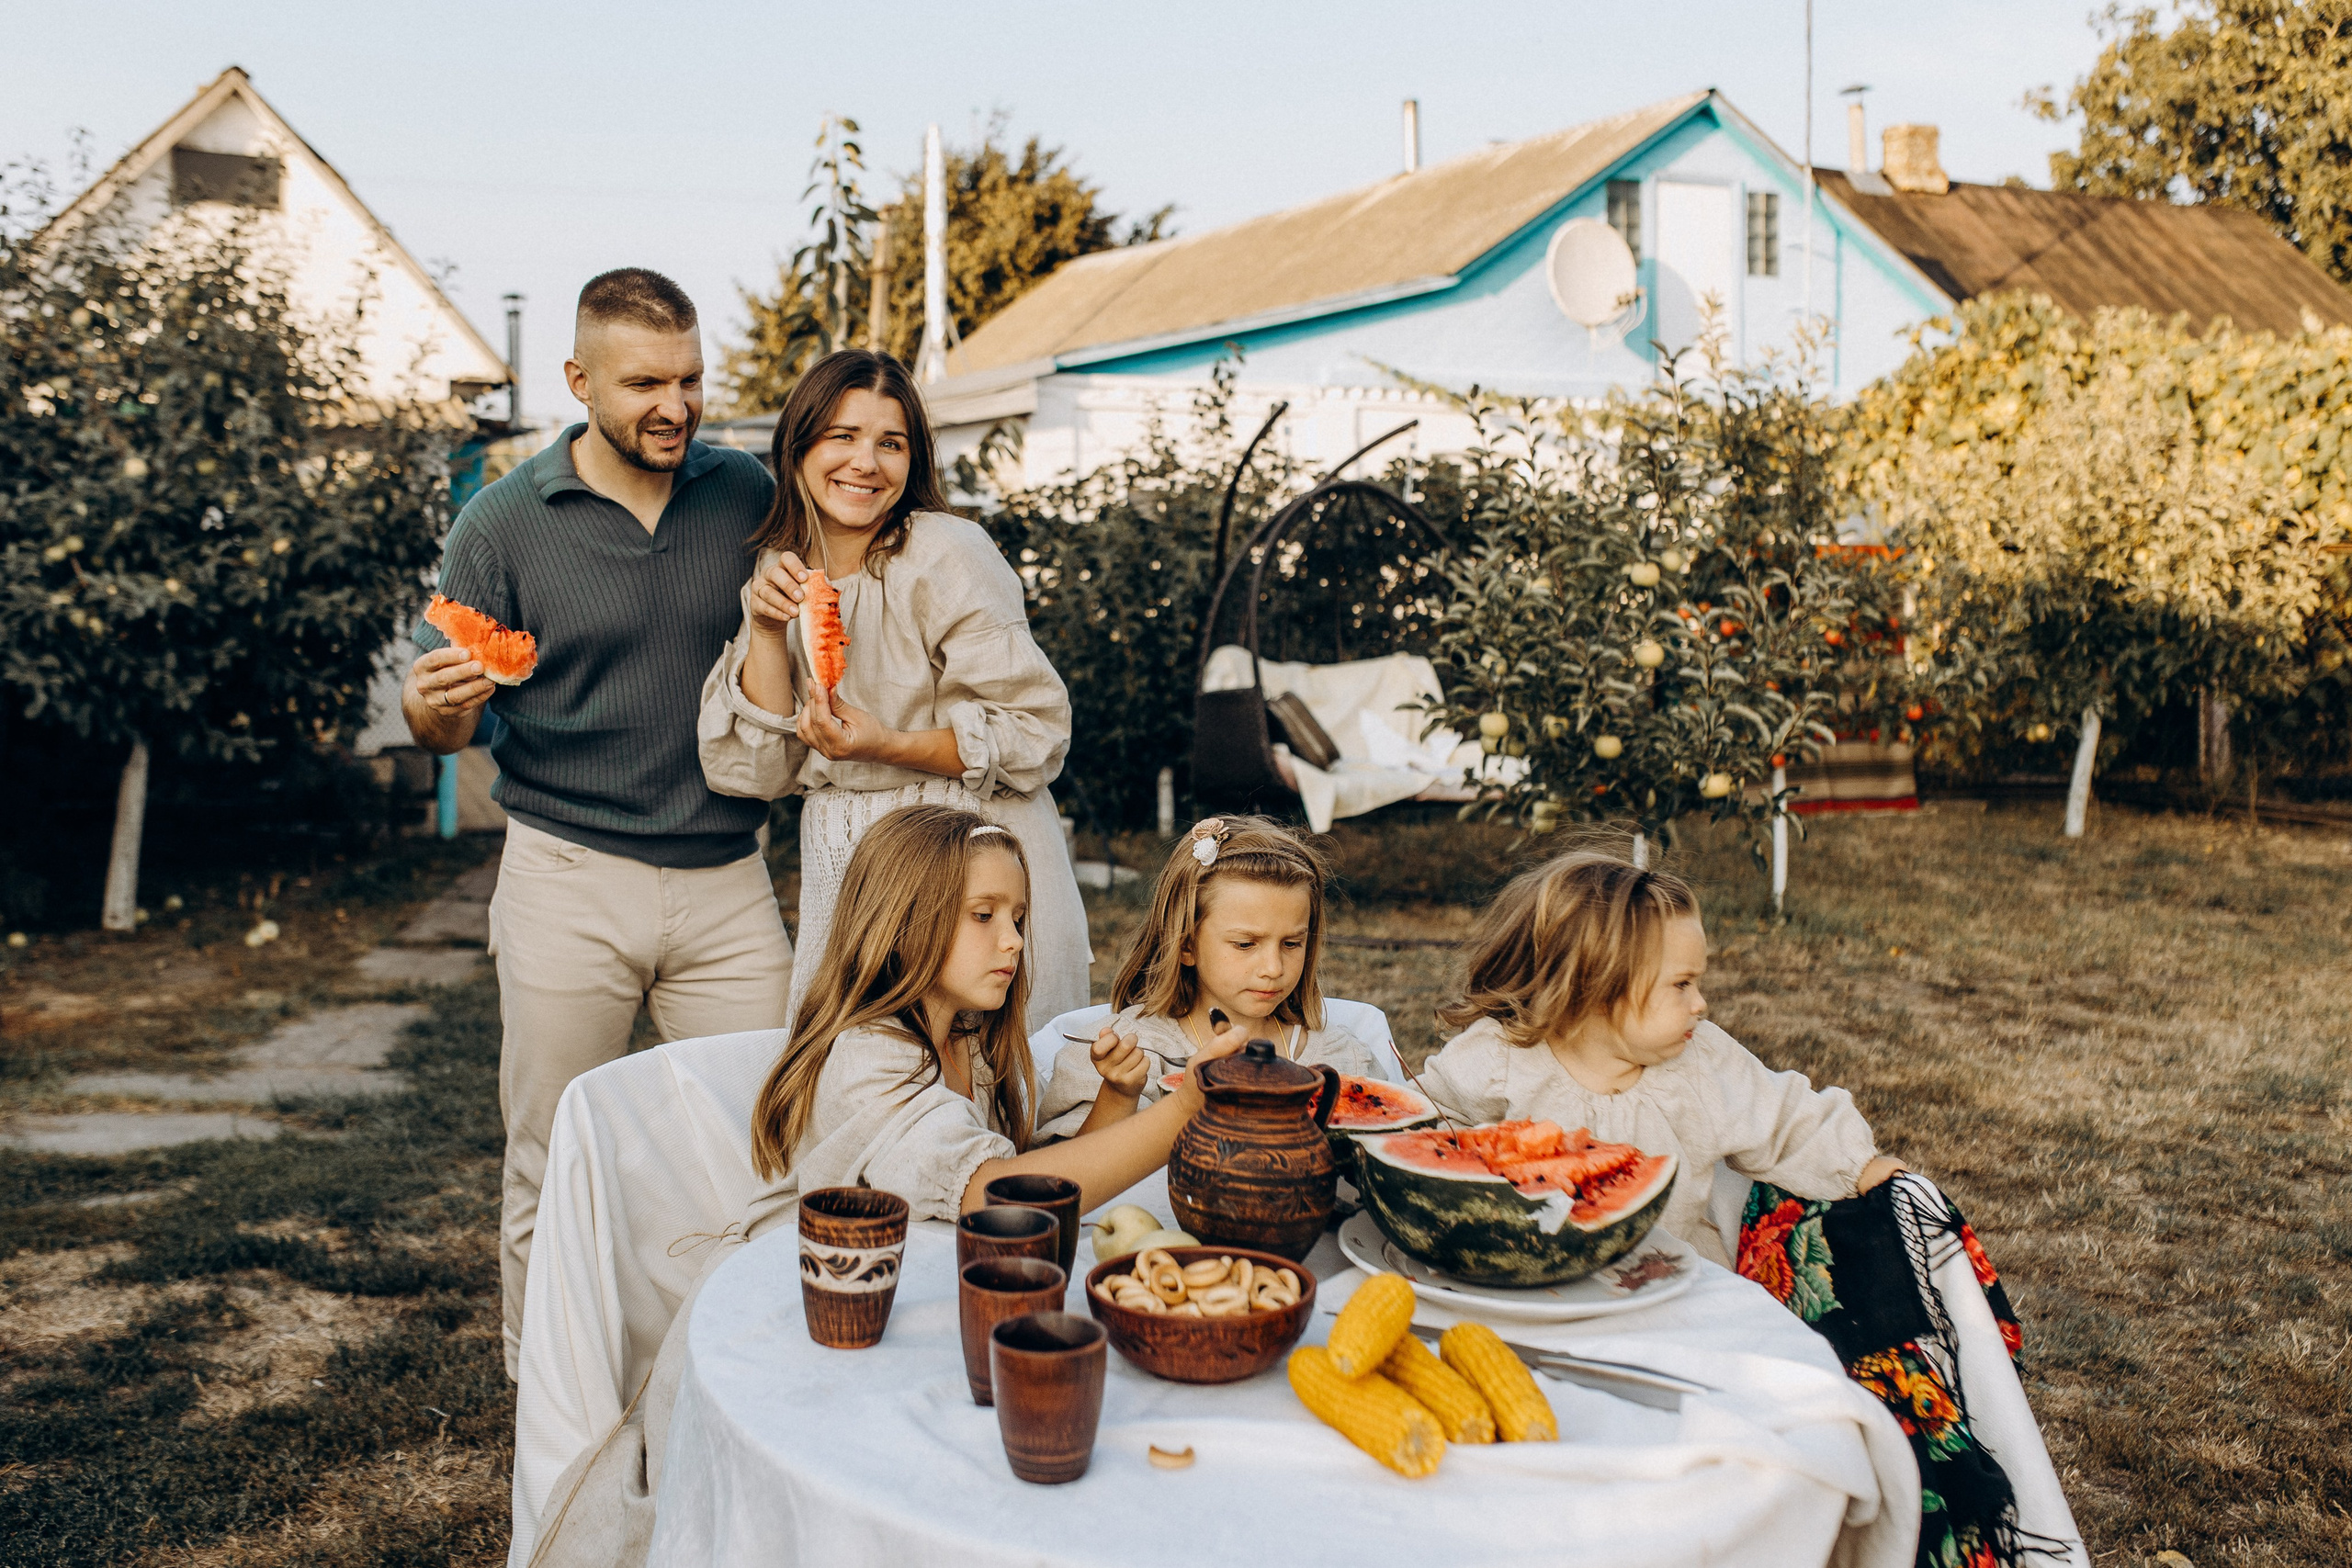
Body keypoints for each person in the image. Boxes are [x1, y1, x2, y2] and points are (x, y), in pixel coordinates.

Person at [404, 267, 794, 1378]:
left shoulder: (745, 498)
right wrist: (424, 711)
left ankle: (736, 1385)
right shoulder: (501, 525)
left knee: (757, 1144)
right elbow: (450, 719)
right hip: (567, 876)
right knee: (552, 1154)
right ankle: (553, 1405)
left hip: (727, 881)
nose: (674, 405)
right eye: (643, 384)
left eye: (690, 379)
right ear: (578, 381)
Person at [698, 348, 1088, 1032]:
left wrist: (889, 743)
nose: (866, 463)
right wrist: (763, 627)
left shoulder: (946, 551)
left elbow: (1035, 733)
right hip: (847, 861)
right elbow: (753, 769)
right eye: (841, 436)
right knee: (853, 1084)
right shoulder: (780, 563)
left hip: (970, 856)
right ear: (797, 446)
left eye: (891, 443)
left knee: (989, 1088)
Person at [1413, 851, 1905, 1269]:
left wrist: (1858, 1165)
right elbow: (1427, 1125)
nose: (1700, 1003)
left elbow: (1785, 1118)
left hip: (1671, 1275)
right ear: (1598, 987)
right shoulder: (1502, 1056)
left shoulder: (1701, 1061)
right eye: (1681, 985)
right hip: (1523, 1267)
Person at [751, 804, 1244, 1216]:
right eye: (983, 916)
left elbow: (1048, 1179)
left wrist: (1116, 1097)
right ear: (901, 923)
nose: (1012, 941)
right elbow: (996, 1196)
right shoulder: (869, 1056)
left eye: (1018, 918)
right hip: (818, 1301)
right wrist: (1183, 1110)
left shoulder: (975, 1044)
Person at [1035, 815, 1380, 1140]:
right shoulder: (1129, 1055)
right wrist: (1118, 1094)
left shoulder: (1345, 1058)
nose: (1274, 968)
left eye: (1292, 943)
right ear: (1186, 946)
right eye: (1245, 944)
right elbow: (1067, 1180)